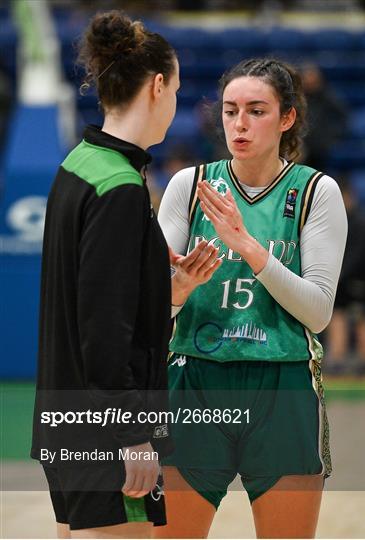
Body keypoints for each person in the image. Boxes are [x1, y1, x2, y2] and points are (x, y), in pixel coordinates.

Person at [155, 58, 348, 538]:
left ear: (287, 118)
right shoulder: (188, 185)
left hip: (281, 385)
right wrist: (176, 293)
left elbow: (318, 312)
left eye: (257, 110)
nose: (239, 124)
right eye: (230, 110)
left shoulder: (316, 192)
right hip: (194, 378)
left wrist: (249, 248)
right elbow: (150, 310)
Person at [30, 10, 182, 539]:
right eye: (177, 88)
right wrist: (134, 435)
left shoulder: (79, 163)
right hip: (105, 434)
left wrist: (168, 290)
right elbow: (103, 330)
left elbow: (89, 302)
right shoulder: (119, 187)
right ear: (158, 85)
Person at [326, 175, 365, 376]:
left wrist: (339, 274)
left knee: (361, 318)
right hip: (339, 277)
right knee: (337, 315)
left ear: (349, 196)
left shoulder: (361, 222)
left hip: (358, 280)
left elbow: (358, 256)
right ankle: (337, 359)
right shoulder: (334, 220)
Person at [301, 63, 348, 172]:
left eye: (312, 76)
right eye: (307, 76)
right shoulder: (298, 98)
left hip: (322, 149)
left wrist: (330, 138)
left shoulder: (329, 98)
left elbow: (342, 118)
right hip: (303, 146)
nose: (309, 80)